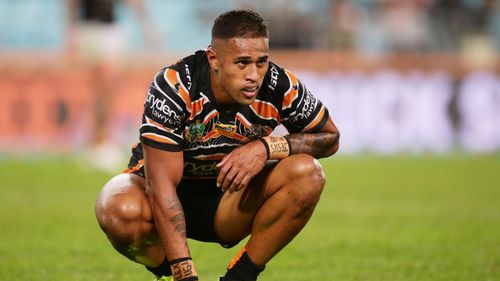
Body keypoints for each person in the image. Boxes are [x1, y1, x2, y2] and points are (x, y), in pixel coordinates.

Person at [95, 9, 340, 281]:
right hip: (158, 199)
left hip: (229, 201)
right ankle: (165, 268)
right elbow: (161, 187)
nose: (254, 75)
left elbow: (329, 137)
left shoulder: (280, 85)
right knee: (117, 209)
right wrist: (184, 274)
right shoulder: (175, 85)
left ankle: (240, 276)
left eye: (261, 62)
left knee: (308, 173)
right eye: (242, 63)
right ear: (214, 59)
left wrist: (266, 147)